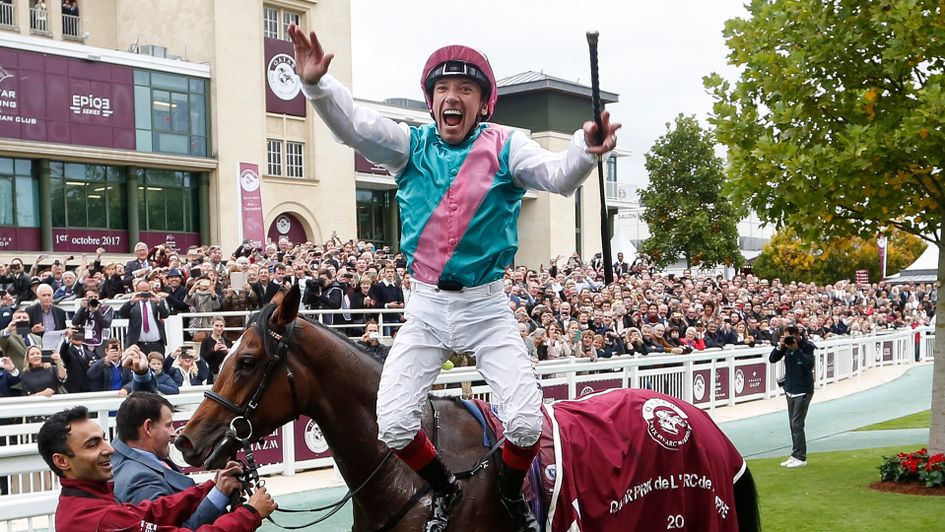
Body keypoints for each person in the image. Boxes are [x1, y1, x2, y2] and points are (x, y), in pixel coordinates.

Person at [290, 23, 619, 532]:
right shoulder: (409, 146)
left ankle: (509, 497)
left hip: (486, 308)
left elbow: (558, 176)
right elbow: (354, 125)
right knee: (393, 423)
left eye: (466, 89)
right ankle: (444, 491)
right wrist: (316, 85)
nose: (452, 97)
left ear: (483, 103)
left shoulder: (508, 146)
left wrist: (584, 147)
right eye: (443, 88)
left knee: (525, 422)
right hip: (426, 308)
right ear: (431, 100)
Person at [37, 406, 276, 531]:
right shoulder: (101, 518)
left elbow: (151, 512)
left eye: (104, 439)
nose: (108, 449)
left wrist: (211, 487)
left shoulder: (87, 501)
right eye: (92, 444)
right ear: (62, 461)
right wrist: (249, 513)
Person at [112, 391, 235, 528]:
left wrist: (214, 487)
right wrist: (219, 495)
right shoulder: (141, 481)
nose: (173, 433)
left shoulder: (122, 448)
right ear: (148, 428)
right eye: (168, 425)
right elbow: (179, 529)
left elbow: (135, 410)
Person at [768, 325, 816, 468]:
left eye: (790, 336)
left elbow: (808, 365)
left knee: (797, 424)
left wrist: (796, 349)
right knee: (792, 424)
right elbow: (772, 359)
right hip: (790, 389)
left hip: (803, 390)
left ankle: (801, 457)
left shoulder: (807, 346)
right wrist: (780, 346)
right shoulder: (785, 347)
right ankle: (795, 454)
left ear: (797, 335)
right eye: (785, 336)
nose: (788, 339)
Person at [119, 280, 169, 354]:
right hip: (138, 344)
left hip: (156, 344)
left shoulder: (157, 302)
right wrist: (131, 302)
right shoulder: (132, 304)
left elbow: (165, 315)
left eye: (146, 291)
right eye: (141, 292)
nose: (144, 294)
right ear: (136, 291)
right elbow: (122, 314)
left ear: (150, 290)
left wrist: (158, 302)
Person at [200, 316, 231, 383]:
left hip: (225, 374)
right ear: (212, 325)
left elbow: (234, 358)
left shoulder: (228, 341)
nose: (219, 328)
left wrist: (227, 351)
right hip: (211, 375)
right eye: (216, 325)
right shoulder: (206, 341)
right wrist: (213, 350)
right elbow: (202, 358)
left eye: (221, 326)